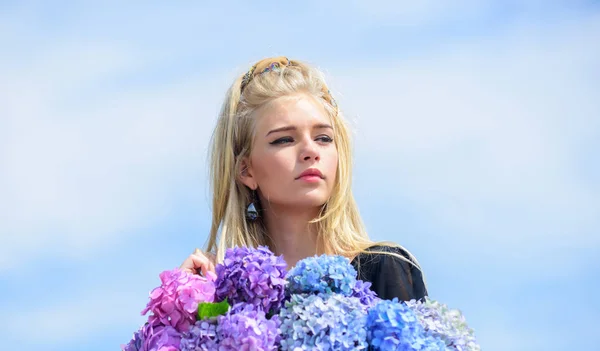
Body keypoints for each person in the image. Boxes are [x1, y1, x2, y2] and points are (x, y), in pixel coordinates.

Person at [179, 56, 427, 301]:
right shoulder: (222, 295)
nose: (311, 151)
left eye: (323, 138)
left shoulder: (384, 268)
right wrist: (182, 308)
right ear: (246, 170)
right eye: (284, 140)